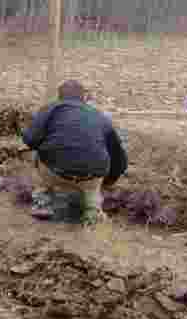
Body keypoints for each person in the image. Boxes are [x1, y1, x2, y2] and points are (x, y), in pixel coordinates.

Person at [22, 80, 128, 225]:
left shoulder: (51, 109)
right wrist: (109, 181)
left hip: (56, 173)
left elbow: (30, 139)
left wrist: (47, 143)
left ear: (59, 97)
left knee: (36, 153)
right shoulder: (100, 116)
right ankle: (93, 210)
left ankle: (43, 202)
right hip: (92, 177)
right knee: (92, 187)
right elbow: (117, 155)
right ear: (84, 98)